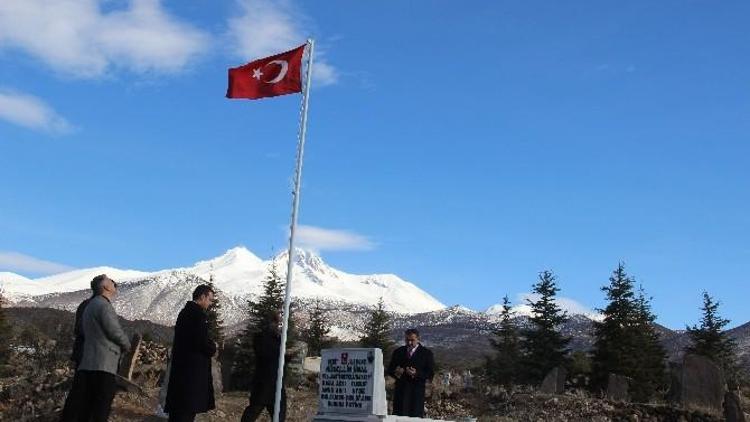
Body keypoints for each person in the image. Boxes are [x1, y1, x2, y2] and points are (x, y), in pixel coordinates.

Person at [76, 274, 132, 422]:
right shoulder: (104, 306)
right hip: (103, 363)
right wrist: (126, 344)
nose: (114, 283)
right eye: (111, 282)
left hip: (88, 363)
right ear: (106, 287)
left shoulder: (90, 305)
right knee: (101, 407)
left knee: (86, 407)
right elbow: (114, 331)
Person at [164, 285, 217, 422]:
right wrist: (213, 347)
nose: (210, 304)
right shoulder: (198, 315)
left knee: (178, 411)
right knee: (186, 412)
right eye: (210, 300)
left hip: (182, 370)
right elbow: (201, 341)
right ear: (203, 296)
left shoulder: (184, 312)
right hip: (192, 373)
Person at [59, 279, 97, 422]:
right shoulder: (90, 305)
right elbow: (81, 329)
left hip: (87, 354)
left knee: (81, 392)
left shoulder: (86, 304)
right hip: (87, 355)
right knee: (80, 391)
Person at [241, 312, 289, 422]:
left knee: (279, 414)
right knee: (254, 411)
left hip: (276, 383)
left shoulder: (277, 338)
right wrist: (280, 352)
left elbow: (278, 357)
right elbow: (265, 354)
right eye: (277, 322)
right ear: (271, 323)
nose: (278, 326)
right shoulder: (261, 337)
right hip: (264, 382)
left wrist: (286, 356)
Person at [387, 328, 435, 417]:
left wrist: (416, 374)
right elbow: (390, 370)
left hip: (416, 393)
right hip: (401, 392)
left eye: (412, 340)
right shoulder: (398, 352)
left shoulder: (426, 353)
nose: (409, 343)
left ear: (418, 339)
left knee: (414, 417)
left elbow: (430, 373)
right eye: (407, 340)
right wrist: (398, 372)